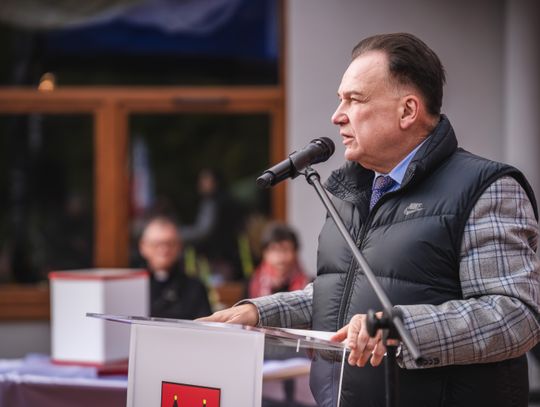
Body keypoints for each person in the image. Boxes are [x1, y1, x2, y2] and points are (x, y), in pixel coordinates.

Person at [199, 33, 540, 407]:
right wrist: (255, 313)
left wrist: (399, 328)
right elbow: (336, 295)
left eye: (355, 99)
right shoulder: (349, 193)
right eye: (340, 99)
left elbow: (515, 316)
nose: (337, 115)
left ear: (407, 111)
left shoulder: (486, 188)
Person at [139, 215, 211, 320]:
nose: (163, 250)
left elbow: (204, 323)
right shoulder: (134, 286)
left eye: (170, 244)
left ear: (179, 246)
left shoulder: (194, 288)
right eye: (156, 244)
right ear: (143, 246)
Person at [181, 168, 245, 283]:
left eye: (206, 180)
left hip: (219, 259)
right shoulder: (227, 199)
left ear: (216, 182)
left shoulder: (213, 202)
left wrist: (178, 234)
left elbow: (203, 231)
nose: (202, 184)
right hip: (228, 257)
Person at [248, 222, 309, 298]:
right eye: (274, 249)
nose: (280, 257)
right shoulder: (251, 284)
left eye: (285, 249)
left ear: (295, 252)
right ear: (264, 253)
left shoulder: (309, 286)